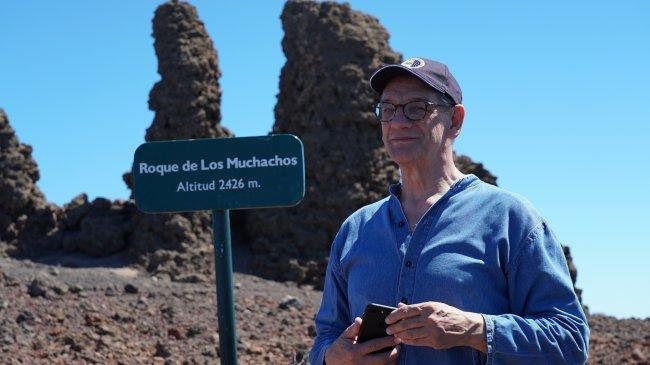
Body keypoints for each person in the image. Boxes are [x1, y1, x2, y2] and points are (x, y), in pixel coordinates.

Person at [308, 57, 589, 365]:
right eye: (387, 110)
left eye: (417, 107)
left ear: (455, 120)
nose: (398, 122)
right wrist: (332, 356)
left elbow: (570, 340)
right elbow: (326, 336)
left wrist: (474, 329)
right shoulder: (355, 229)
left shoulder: (510, 219)